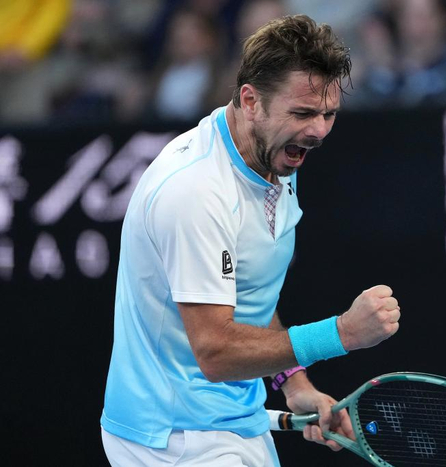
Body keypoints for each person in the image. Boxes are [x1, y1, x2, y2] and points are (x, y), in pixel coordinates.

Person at [100, 14, 401, 466]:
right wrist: (341, 333)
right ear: (250, 101)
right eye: (303, 113)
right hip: (170, 438)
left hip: (234, 420)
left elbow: (248, 295)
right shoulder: (196, 193)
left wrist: (293, 383)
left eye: (329, 114)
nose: (319, 131)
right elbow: (216, 352)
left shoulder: (277, 154)